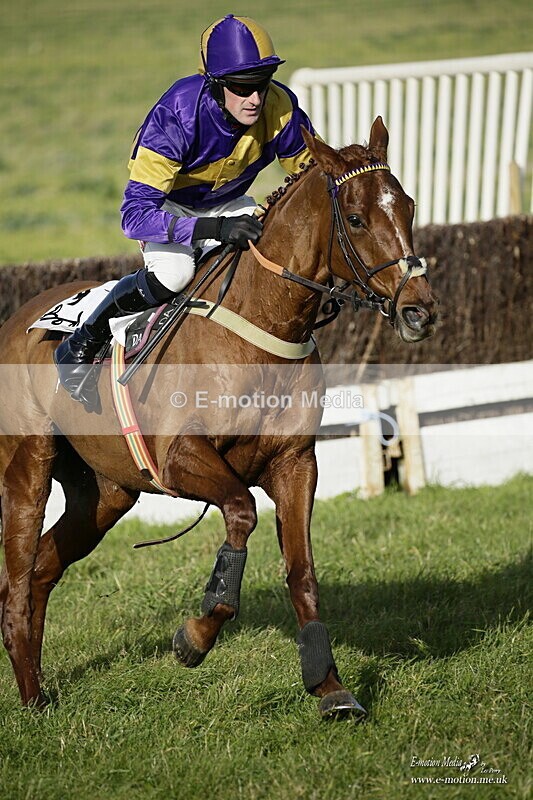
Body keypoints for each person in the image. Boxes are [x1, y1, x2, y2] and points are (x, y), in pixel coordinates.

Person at [54, 14, 318, 404]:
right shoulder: (176, 114)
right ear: (214, 84)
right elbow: (135, 216)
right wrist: (211, 230)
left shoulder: (280, 106)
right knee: (176, 274)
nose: (255, 99)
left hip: (228, 204)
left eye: (261, 84)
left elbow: (313, 175)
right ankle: (83, 340)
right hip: (168, 208)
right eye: (242, 87)